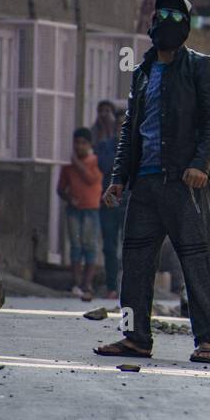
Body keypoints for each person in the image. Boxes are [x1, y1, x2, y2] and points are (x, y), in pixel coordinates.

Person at [95, 0, 210, 365]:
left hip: (185, 184)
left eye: (175, 14)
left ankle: (207, 341)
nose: (165, 20)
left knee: (196, 263)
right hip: (145, 184)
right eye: (160, 13)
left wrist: (200, 164)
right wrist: (118, 177)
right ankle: (135, 337)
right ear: (151, 22)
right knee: (135, 265)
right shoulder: (142, 73)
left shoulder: (200, 67)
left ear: (186, 26)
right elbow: (130, 130)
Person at [58, 127, 103, 301]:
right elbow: (61, 189)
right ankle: (76, 283)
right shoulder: (67, 166)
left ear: (89, 145)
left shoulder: (95, 161)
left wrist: (76, 163)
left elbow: (91, 179)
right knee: (75, 246)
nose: (79, 146)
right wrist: (69, 199)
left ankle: (87, 284)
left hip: (91, 210)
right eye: (77, 142)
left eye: (83, 143)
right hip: (74, 210)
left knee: (89, 246)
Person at [91, 100, 122, 299]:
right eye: (119, 125)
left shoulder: (140, 146)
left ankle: (128, 286)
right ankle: (111, 286)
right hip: (110, 199)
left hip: (130, 200)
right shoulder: (104, 146)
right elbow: (104, 166)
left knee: (131, 245)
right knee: (109, 245)